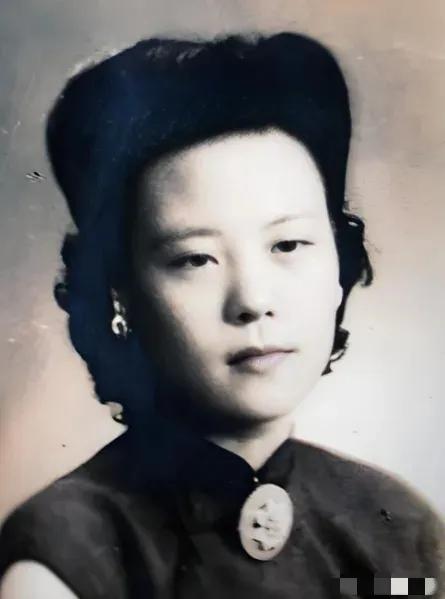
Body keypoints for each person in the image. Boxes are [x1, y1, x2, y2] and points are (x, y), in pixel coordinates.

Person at [0, 32, 444, 599]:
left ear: (339, 265)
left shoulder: (397, 529)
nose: (253, 300)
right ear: (120, 295)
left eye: (288, 245)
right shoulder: (64, 558)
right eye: (196, 259)